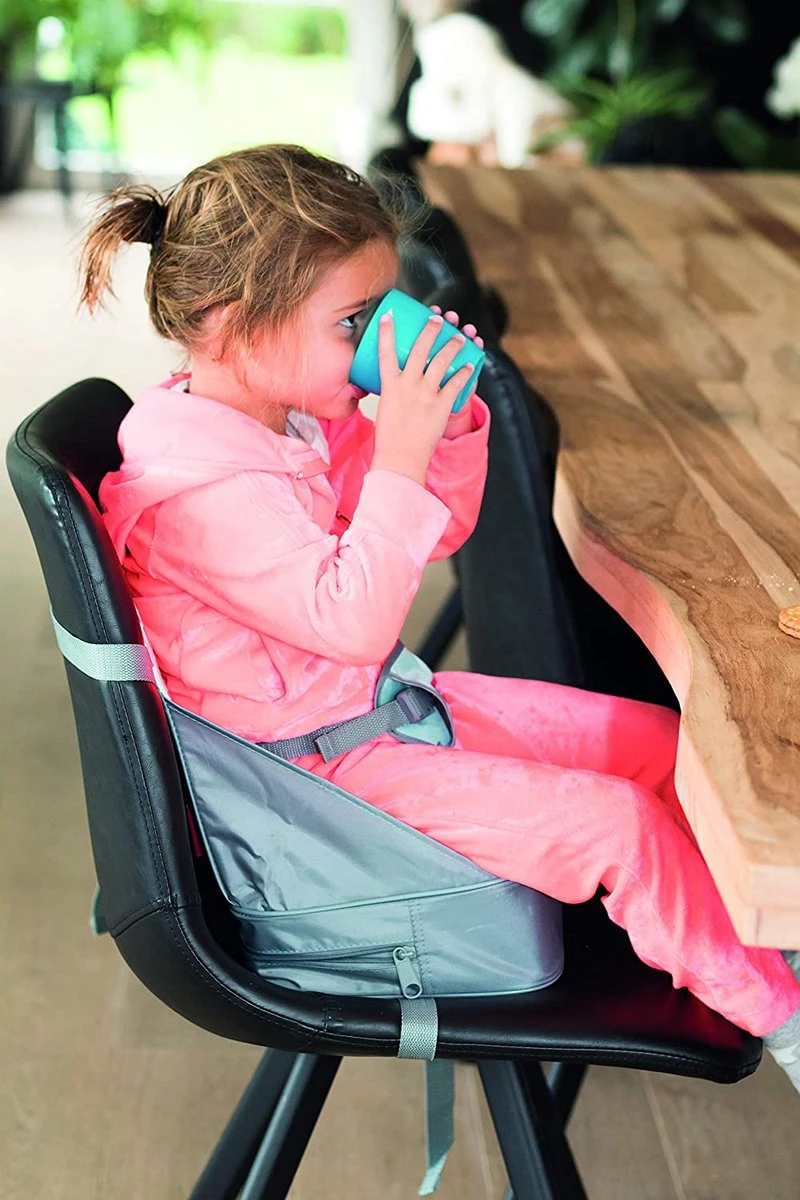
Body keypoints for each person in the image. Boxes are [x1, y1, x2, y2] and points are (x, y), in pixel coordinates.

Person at [80, 143, 800, 1087]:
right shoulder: (196, 488)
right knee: (618, 825)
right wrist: (398, 454)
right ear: (230, 324)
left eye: (383, 309)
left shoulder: (284, 416)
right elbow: (354, 620)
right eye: (355, 321)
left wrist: (445, 430)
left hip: (378, 712)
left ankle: (763, 932)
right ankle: (782, 1018)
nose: (375, 338)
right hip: (320, 785)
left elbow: (434, 535)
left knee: (661, 747)